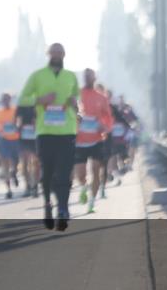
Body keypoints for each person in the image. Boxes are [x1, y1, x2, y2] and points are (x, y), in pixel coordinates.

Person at [19, 43, 79, 231]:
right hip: (45, 132)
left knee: (64, 172)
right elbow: (22, 99)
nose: (57, 55)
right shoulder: (37, 76)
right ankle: (47, 204)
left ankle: (63, 208)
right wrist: (40, 100)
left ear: (64, 54)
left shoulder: (71, 76)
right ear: (48, 54)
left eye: (60, 52)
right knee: (47, 172)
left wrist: (74, 103)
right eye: (54, 52)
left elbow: (77, 101)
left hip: (67, 130)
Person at [74, 69, 114, 213]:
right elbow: (69, 111)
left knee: (96, 170)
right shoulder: (77, 94)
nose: (88, 79)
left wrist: (105, 127)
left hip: (97, 140)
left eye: (90, 77)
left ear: (95, 78)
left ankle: (91, 202)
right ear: (84, 78)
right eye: (86, 77)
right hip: (79, 141)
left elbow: (108, 117)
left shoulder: (101, 97)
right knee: (80, 175)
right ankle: (84, 187)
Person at [0, 93, 20, 200]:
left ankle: (14, 173)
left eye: (7, 99)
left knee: (16, 162)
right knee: (5, 164)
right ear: (2, 101)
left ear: (10, 100)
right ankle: (8, 190)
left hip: (16, 139)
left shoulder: (15, 110)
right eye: (4, 99)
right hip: (4, 140)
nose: (6, 101)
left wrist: (17, 126)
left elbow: (19, 122)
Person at [15, 100, 39, 198]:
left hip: (36, 137)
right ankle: (28, 186)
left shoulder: (39, 103)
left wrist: (36, 124)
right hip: (24, 137)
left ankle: (35, 186)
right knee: (24, 163)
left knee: (35, 163)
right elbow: (17, 121)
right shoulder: (21, 106)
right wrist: (19, 126)